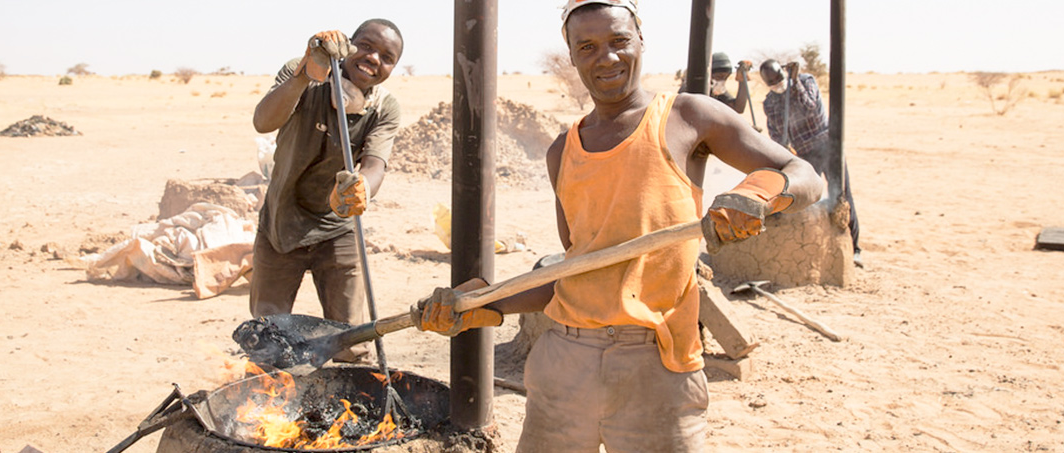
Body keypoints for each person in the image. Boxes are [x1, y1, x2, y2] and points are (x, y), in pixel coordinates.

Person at [416, 1, 823, 451]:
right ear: (571, 56)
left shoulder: (688, 117)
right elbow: (572, 274)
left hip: (657, 366)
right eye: (587, 46)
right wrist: (478, 303)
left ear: (641, 40)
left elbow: (803, 174)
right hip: (563, 367)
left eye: (618, 41)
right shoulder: (562, 152)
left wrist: (759, 194)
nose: (605, 58)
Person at [250, 19, 404, 363]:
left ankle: (352, 407)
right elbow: (263, 121)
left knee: (351, 341)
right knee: (267, 340)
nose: (374, 58)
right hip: (281, 226)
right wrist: (306, 73)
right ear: (348, 45)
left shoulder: (383, 108)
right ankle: (264, 410)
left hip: (339, 233)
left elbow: (376, 164)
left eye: (387, 57)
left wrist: (362, 187)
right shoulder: (304, 73)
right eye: (365, 46)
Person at [759, 59, 862, 265]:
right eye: (771, 83)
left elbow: (811, 109)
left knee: (840, 193)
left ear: (783, 73)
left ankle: (855, 248)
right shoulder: (770, 103)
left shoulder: (806, 82)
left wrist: (794, 84)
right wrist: (782, 148)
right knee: (807, 200)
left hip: (827, 147)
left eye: (779, 79)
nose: (777, 84)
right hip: (804, 156)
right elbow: (777, 133)